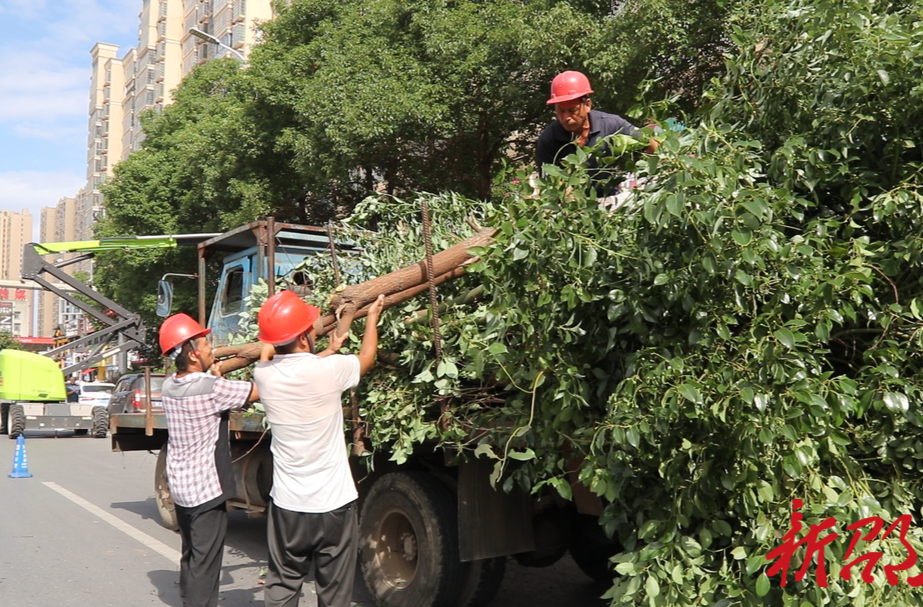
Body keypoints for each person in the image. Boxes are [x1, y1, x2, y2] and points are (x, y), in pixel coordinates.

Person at [253, 290, 386, 607]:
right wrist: (371, 319)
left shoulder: (264, 375)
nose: (315, 330)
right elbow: (367, 357)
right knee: (334, 591)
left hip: (288, 506)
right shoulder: (330, 372)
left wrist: (325, 349)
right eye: (310, 328)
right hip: (333, 505)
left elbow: (278, 361)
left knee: (283, 585)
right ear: (302, 339)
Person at [158, 313, 259, 607]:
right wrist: (265, 357)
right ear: (192, 354)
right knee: (206, 561)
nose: (210, 350)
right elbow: (257, 391)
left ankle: (189, 598)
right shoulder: (211, 387)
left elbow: (208, 393)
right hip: (205, 490)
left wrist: (213, 373)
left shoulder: (168, 386)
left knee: (191, 553)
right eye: (205, 345)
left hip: (180, 486)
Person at [535, 70, 660, 182]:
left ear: (588, 105)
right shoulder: (548, 140)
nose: (566, 117)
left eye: (572, 110)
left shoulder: (613, 125)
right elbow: (548, 185)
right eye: (561, 111)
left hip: (613, 198)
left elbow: (651, 146)